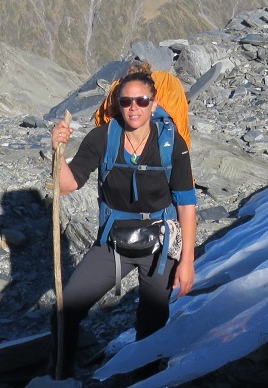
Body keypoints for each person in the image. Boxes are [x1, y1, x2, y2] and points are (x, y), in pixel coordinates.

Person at [49, 62, 197, 379]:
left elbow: (186, 204)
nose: (134, 108)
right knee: (65, 310)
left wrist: (187, 262)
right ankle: (62, 376)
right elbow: (67, 185)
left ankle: (145, 378)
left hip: (160, 244)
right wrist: (57, 151)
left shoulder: (172, 143)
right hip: (113, 242)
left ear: (154, 104)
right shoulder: (102, 138)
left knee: (152, 319)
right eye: (127, 101)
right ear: (118, 103)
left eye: (142, 101)